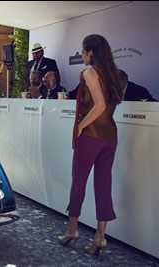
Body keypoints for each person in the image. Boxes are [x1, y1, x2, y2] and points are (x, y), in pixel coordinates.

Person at [58, 34, 123, 256]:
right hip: (110, 136)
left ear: (91, 52)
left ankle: (72, 230)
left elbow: (100, 106)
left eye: (83, 51)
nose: (82, 55)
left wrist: (80, 127)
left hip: (91, 136)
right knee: (103, 185)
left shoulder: (90, 73)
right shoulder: (117, 75)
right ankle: (100, 237)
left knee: (79, 182)